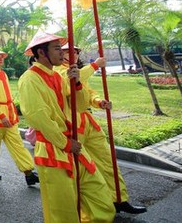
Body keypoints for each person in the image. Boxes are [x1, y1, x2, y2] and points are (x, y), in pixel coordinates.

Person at [18, 32, 115, 223]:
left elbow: (78, 107)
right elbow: (39, 118)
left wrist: (77, 82)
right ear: (41, 53)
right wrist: (65, 143)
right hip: (54, 149)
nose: (63, 53)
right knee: (62, 212)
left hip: (74, 146)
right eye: (56, 48)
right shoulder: (29, 80)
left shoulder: (57, 76)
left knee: (101, 197)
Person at [56, 44, 147, 215]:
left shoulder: (77, 70)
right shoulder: (58, 70)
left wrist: (99, 101)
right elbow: (68, 83)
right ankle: (85, 208)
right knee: (81, 169)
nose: (74, 54)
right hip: (71, 124)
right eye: (69, 51)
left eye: (76, 51)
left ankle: (119, 198)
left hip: (87, 122)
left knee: (108, 160)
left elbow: (88, 92)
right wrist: (95, 65)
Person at [0, 48, 39, 186]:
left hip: (9, 113)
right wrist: (1, 115)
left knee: (17, 143)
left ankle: (28, 172)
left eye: (2, 57)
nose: (1, 59)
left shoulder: (3, 73)